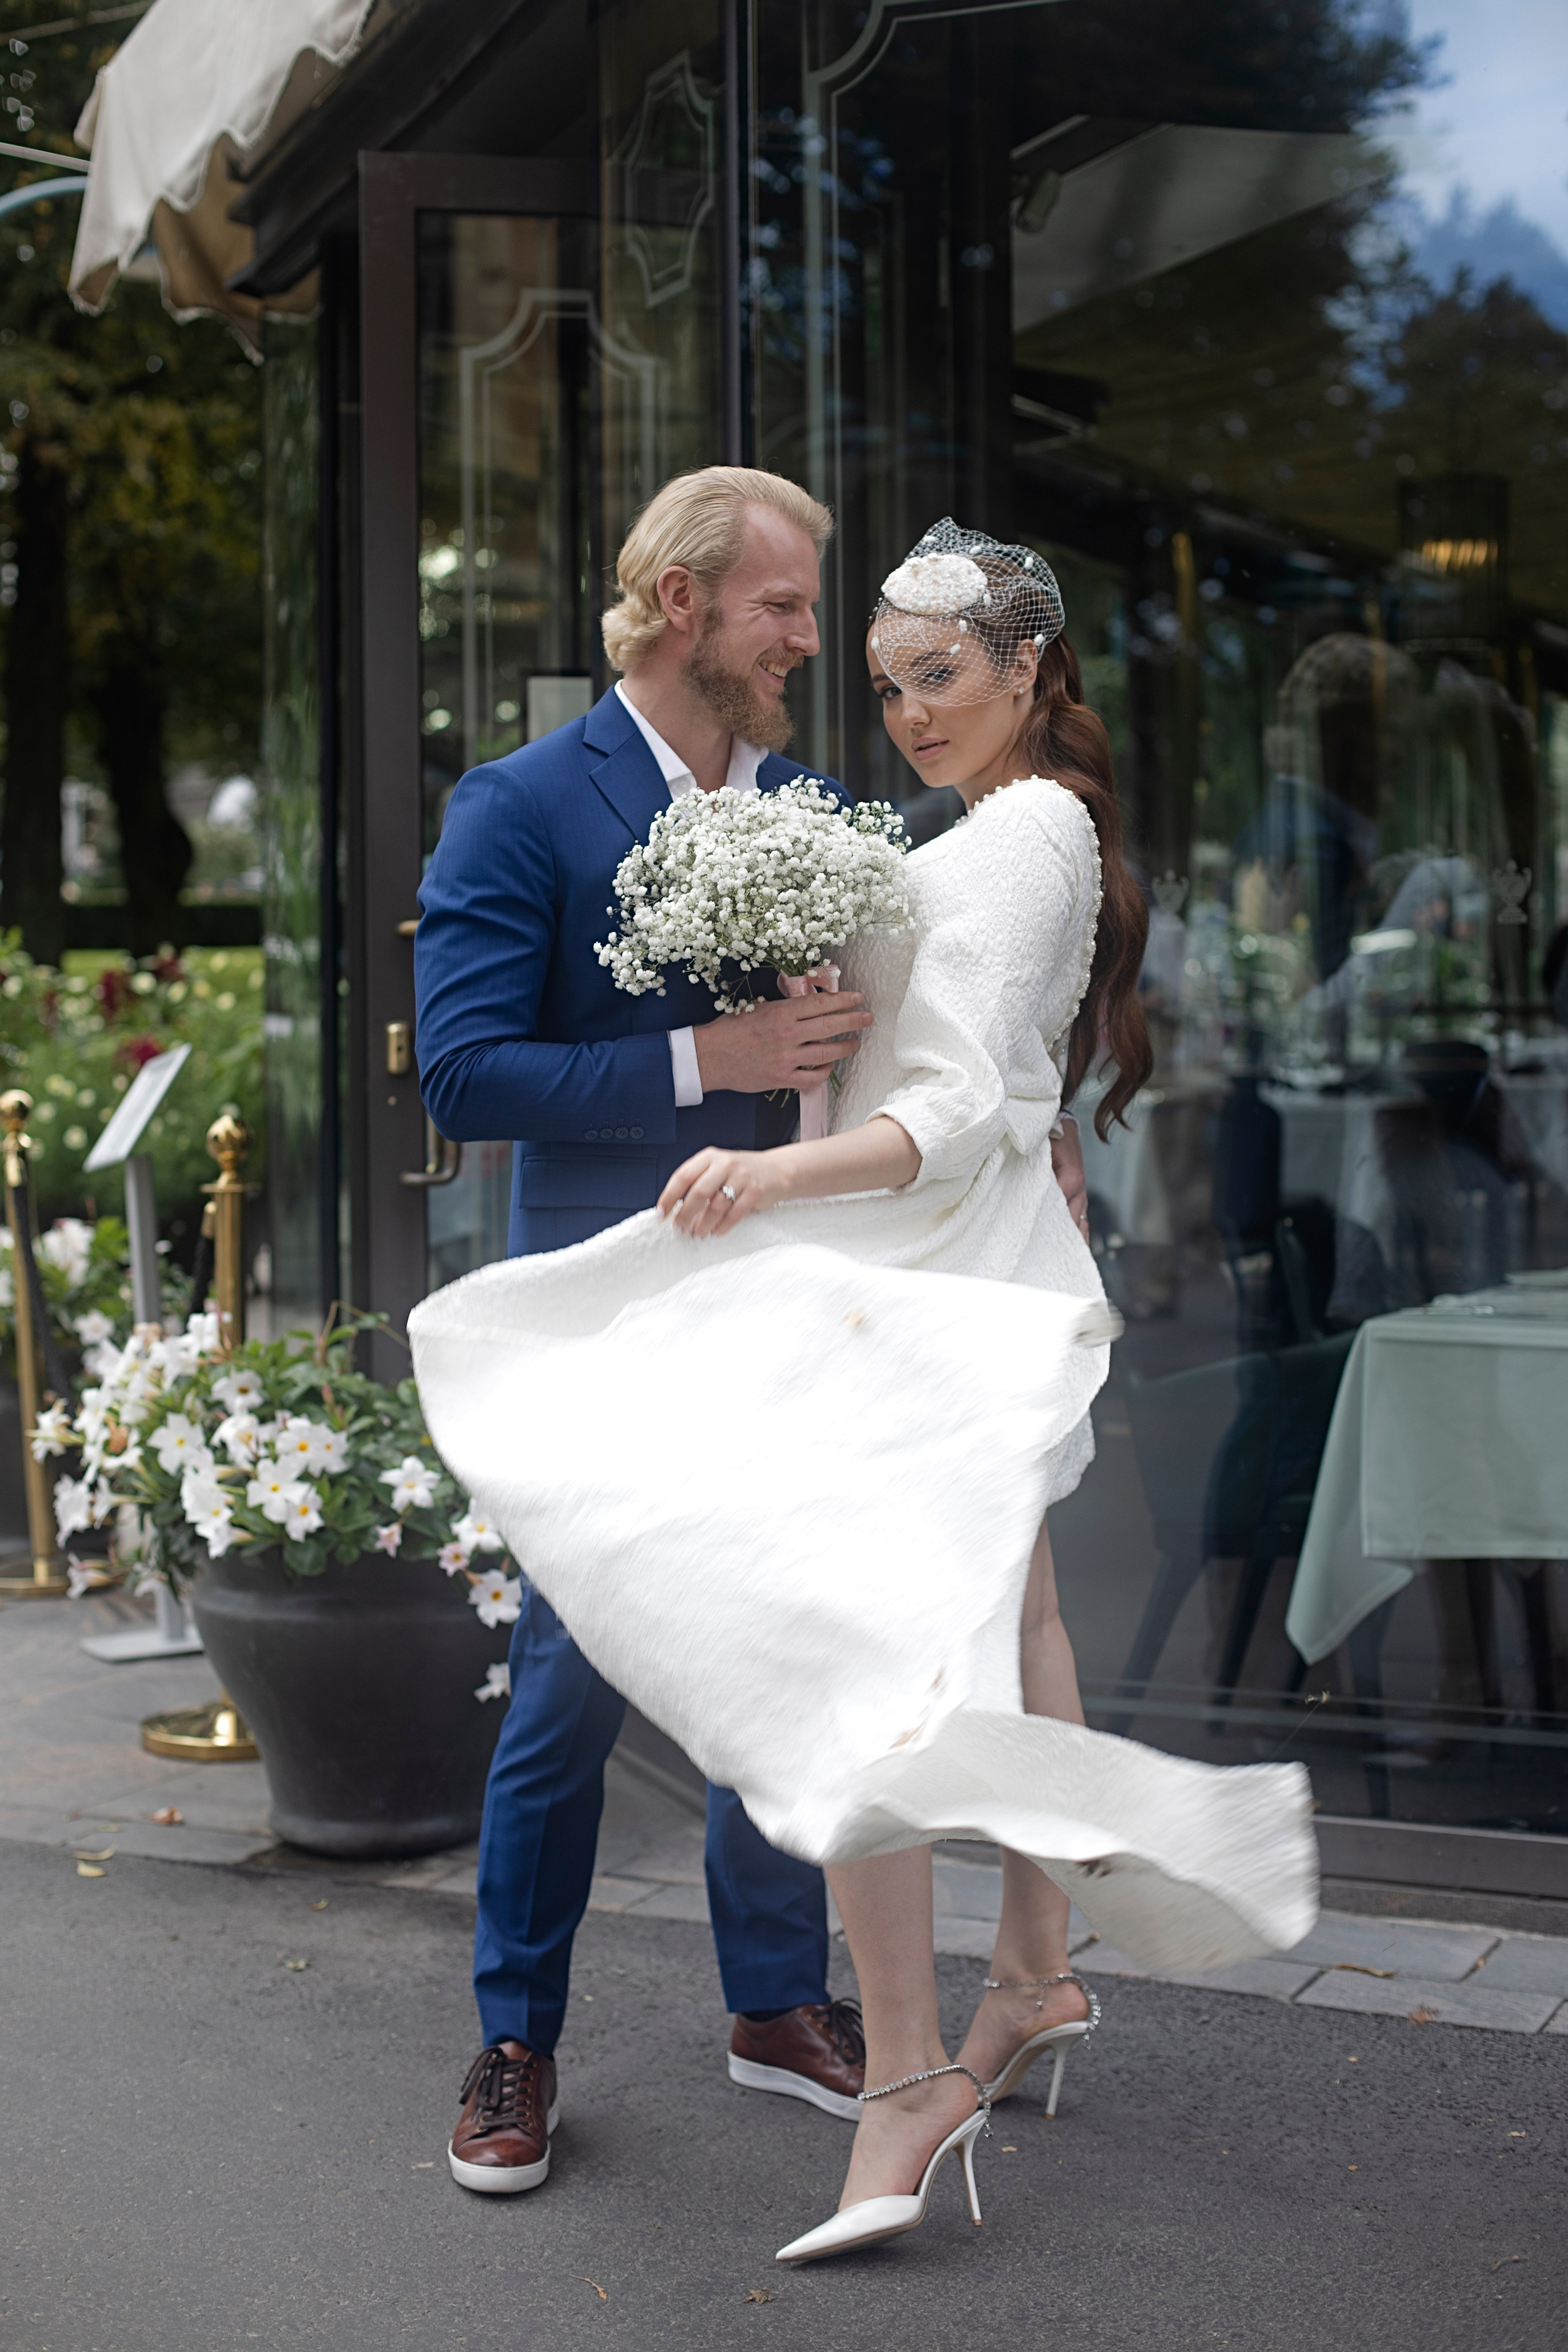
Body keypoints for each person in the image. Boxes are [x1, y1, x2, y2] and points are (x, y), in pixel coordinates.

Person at [412, 519, 1315, 2262]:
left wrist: (990, 1127)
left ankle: (805, 2011)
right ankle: (517, 2039)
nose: (837, 660)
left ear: (1018, 672)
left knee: (824, 1640)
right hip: (690, 1262)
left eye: (911, 660)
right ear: (687, 602)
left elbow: (965, 1033)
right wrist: (712, 1062)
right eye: (792, 609)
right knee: (573, 1688)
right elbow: (462, 1062)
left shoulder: (866, 805)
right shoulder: (523, 800)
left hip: (841, 1259)